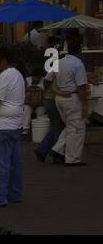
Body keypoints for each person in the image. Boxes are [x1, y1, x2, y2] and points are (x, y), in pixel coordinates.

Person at [0, 46, 27, 207]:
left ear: (4, 60)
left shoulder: (5, 76)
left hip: (2, 125)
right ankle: (14, 193)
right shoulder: (18, 75)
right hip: (15, 124)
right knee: (14, 161)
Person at [49, 34, 90, 166]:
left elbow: (48, 79)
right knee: (77, 129)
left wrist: (57, 90)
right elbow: (81, 87)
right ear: (80, 50)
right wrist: (85, 106)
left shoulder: (58, 62)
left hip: (59, 98)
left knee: (71, 127)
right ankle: (72, 158)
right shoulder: (78, 64)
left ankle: (58, 149)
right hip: (72, 98)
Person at [35, 41, 64, 163]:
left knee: (54, 127)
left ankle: (42, 150)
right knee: (58, 128)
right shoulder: (58, 67)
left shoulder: (56, 67)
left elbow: (46, 82)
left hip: (49, 99)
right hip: (53, 100)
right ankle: (56, 154)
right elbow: (47, 82)